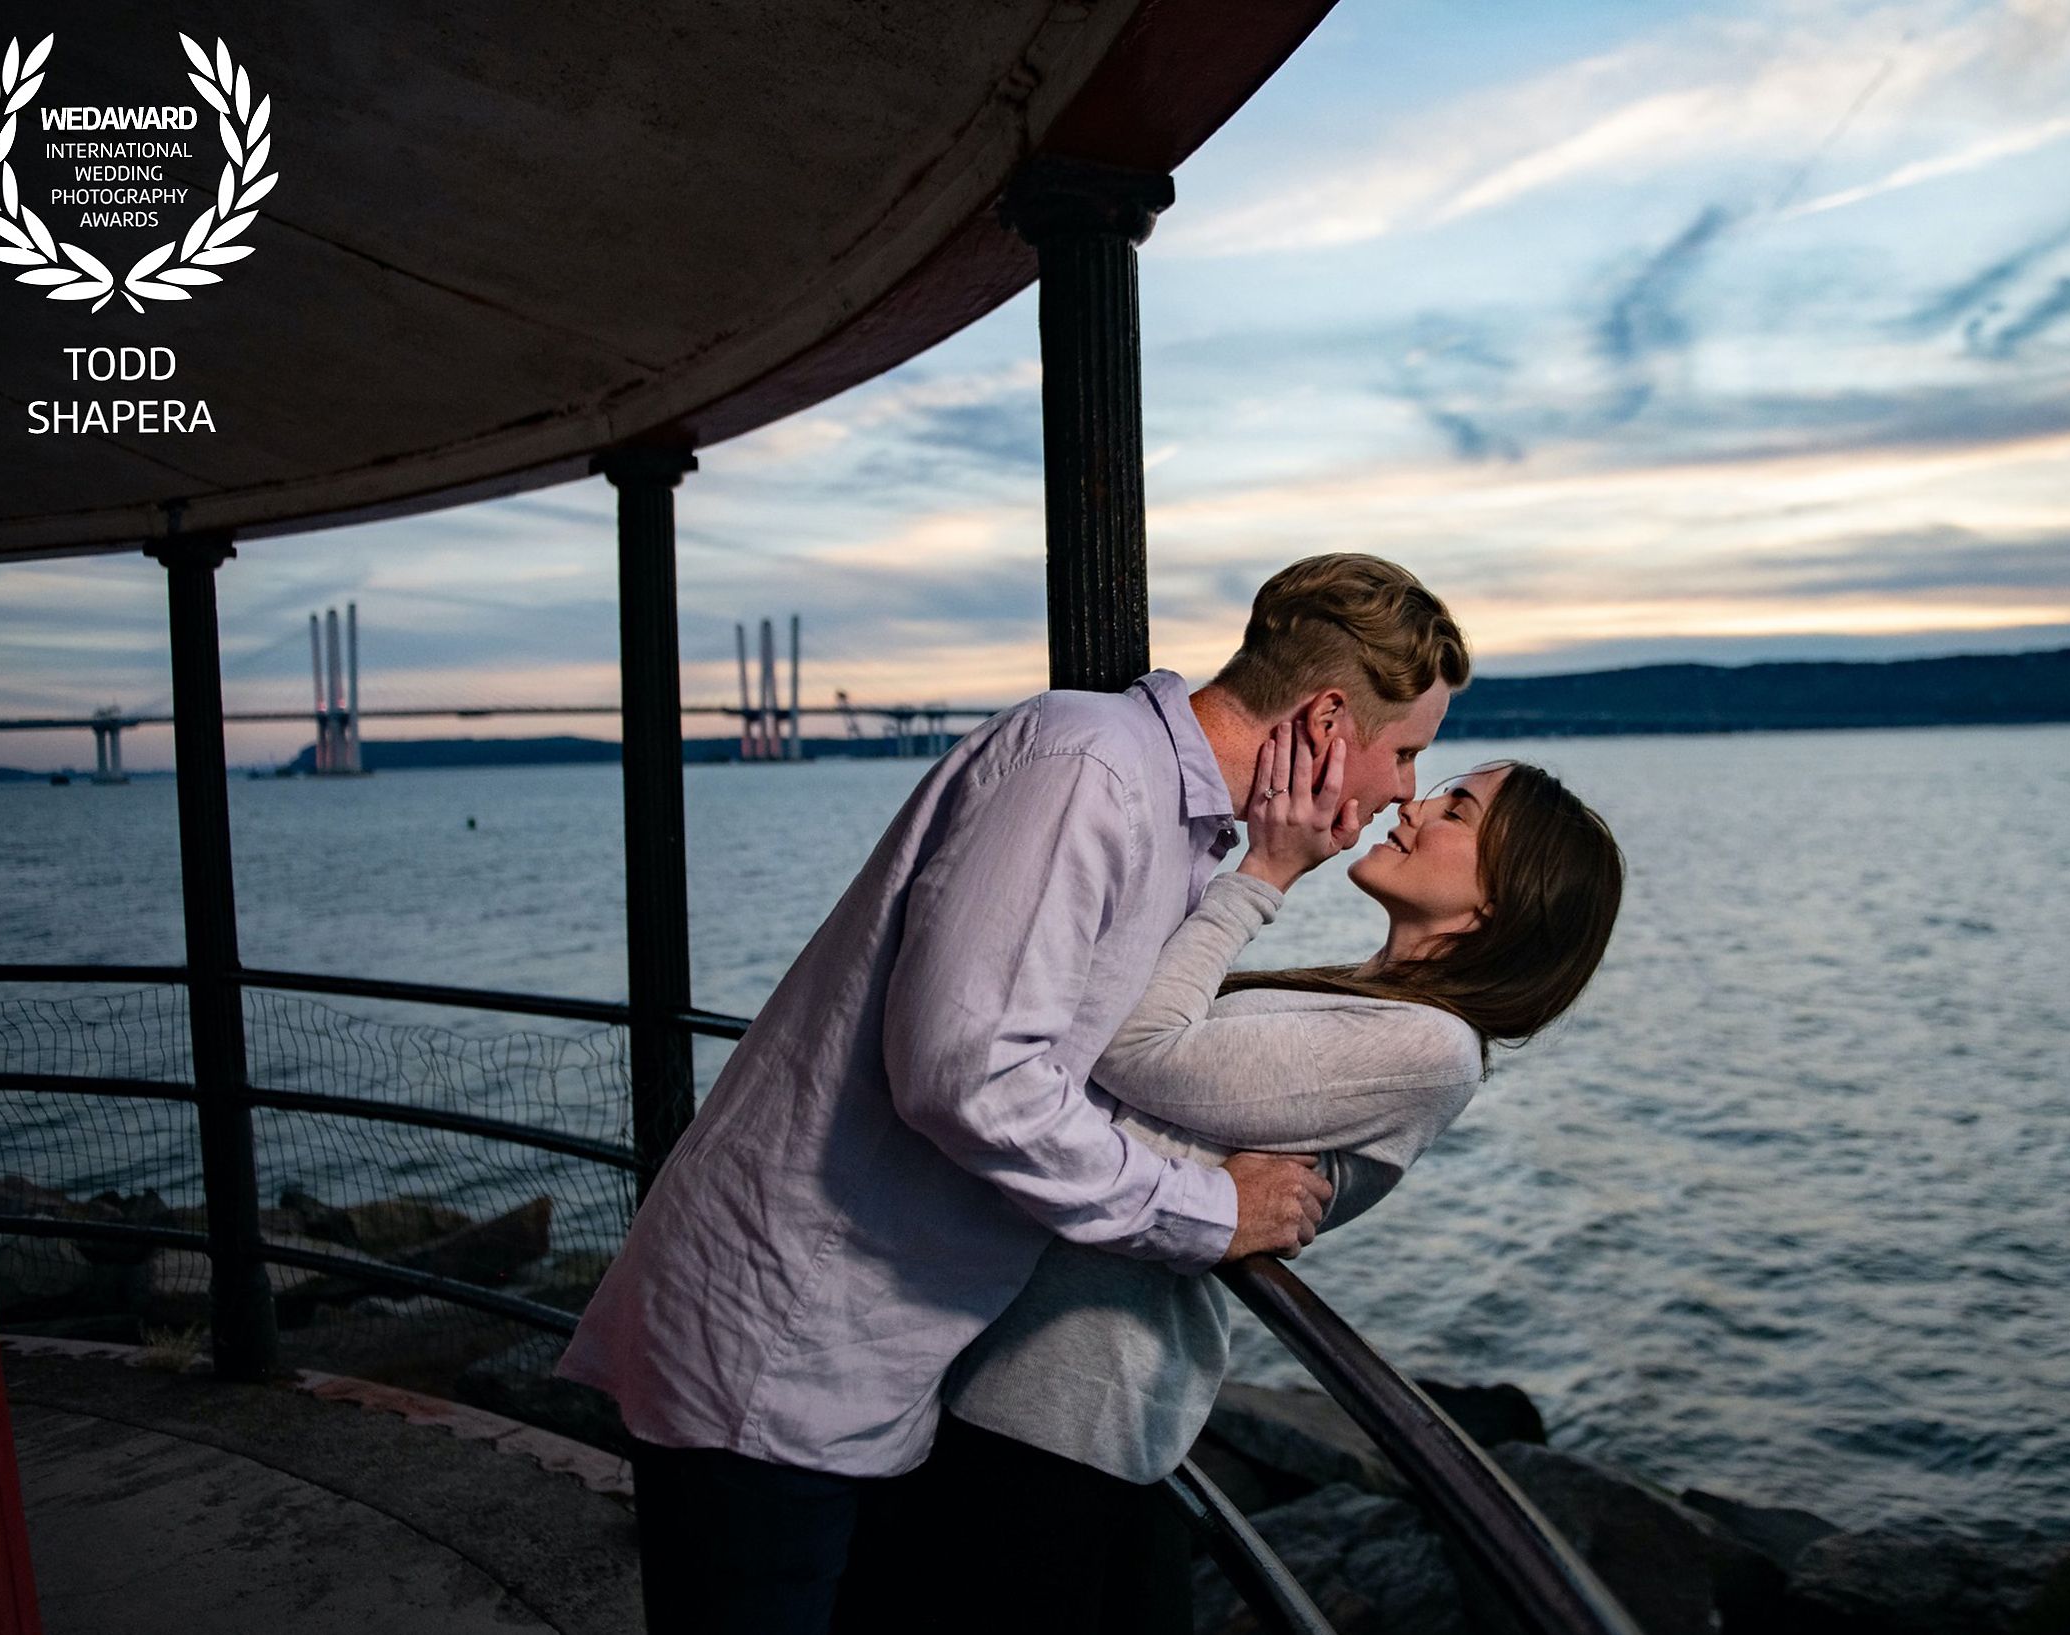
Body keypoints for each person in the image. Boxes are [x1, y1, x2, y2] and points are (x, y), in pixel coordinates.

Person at [554, 554, 1471, 1634]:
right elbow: (967, 1077)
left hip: (867, 1354)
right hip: (785, 1343)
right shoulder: (1091, 768)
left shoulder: (1163, 815)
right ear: (1326, 722)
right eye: (1406, 750)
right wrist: (1211, 1211)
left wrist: (1262, 870)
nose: (1405, 788)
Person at [833, 726, 1626, 1634]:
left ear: (1498, 902)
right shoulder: (1362, 1000)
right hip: (1004, 1361)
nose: (1413, 804)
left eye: (1456, 809)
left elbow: (1132, 1046)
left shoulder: (1430, 1047)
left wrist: (1267, 871)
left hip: (1061, 1402)